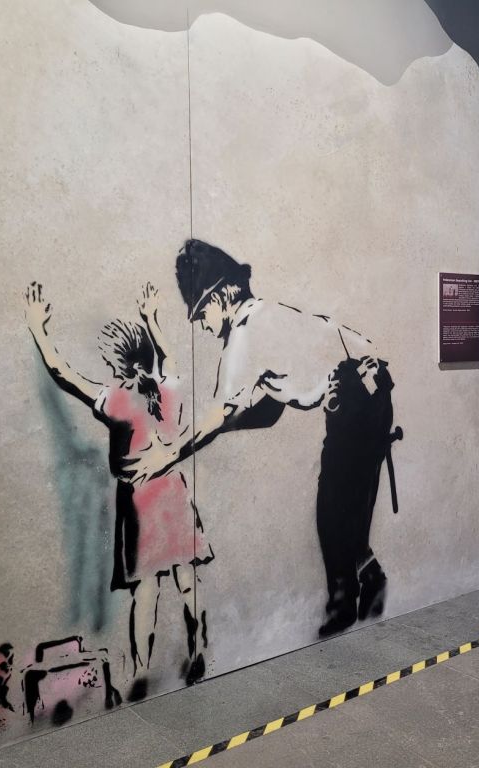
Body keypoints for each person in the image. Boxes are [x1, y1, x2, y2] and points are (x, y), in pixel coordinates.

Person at [122, 239, 400, 637]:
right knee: (346, 507)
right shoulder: (268, 316)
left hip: (355, 396)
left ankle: (343, 608)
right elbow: (268, 412)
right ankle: (369, 578)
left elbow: (218, 413)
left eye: (201, 312)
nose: (201, 324)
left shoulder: (245, 334)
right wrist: (224, 426)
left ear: (222, 296)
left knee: (332, 512)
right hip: (369, 393)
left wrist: (167, 454)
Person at [24, 281, 212, 699]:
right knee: (187, 579)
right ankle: (199, 647)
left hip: (140, 502)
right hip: (174, 494)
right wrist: (152, 318)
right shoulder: (166, 388)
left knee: (146, 590)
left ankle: (142, 671)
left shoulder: (116, 399)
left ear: (114, 362)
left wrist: (38, 328)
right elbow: (171, 358)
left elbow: (63, 374)